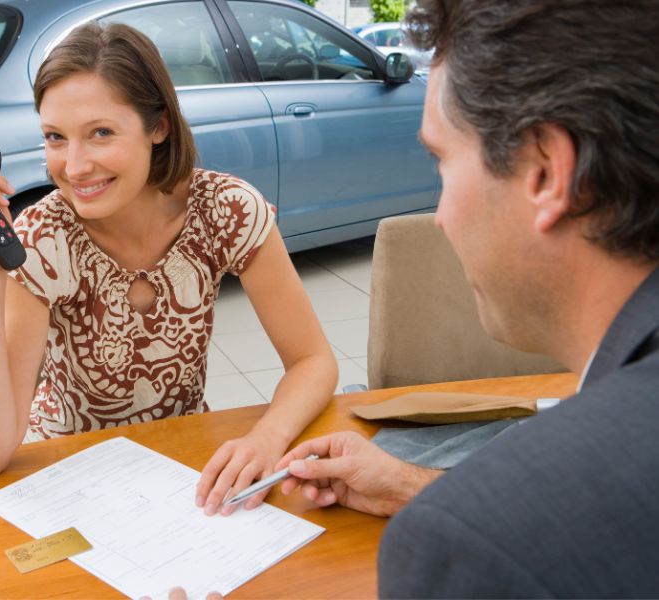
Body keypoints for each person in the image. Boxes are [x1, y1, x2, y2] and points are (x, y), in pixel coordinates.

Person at [277, 0, 659, 596]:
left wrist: (457, 514)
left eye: (442, 162)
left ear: (545, 171)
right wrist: (414, 487)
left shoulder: (470, 548)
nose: (440, 219)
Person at [0, 22, 337, 516]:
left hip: (181, 465)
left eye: (101, 133)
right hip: (66, 475)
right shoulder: (43, 235)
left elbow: (313, 362)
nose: (75, 166)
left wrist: (266, 438)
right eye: (55, 137)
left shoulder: (227, 209)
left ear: (159, 126)